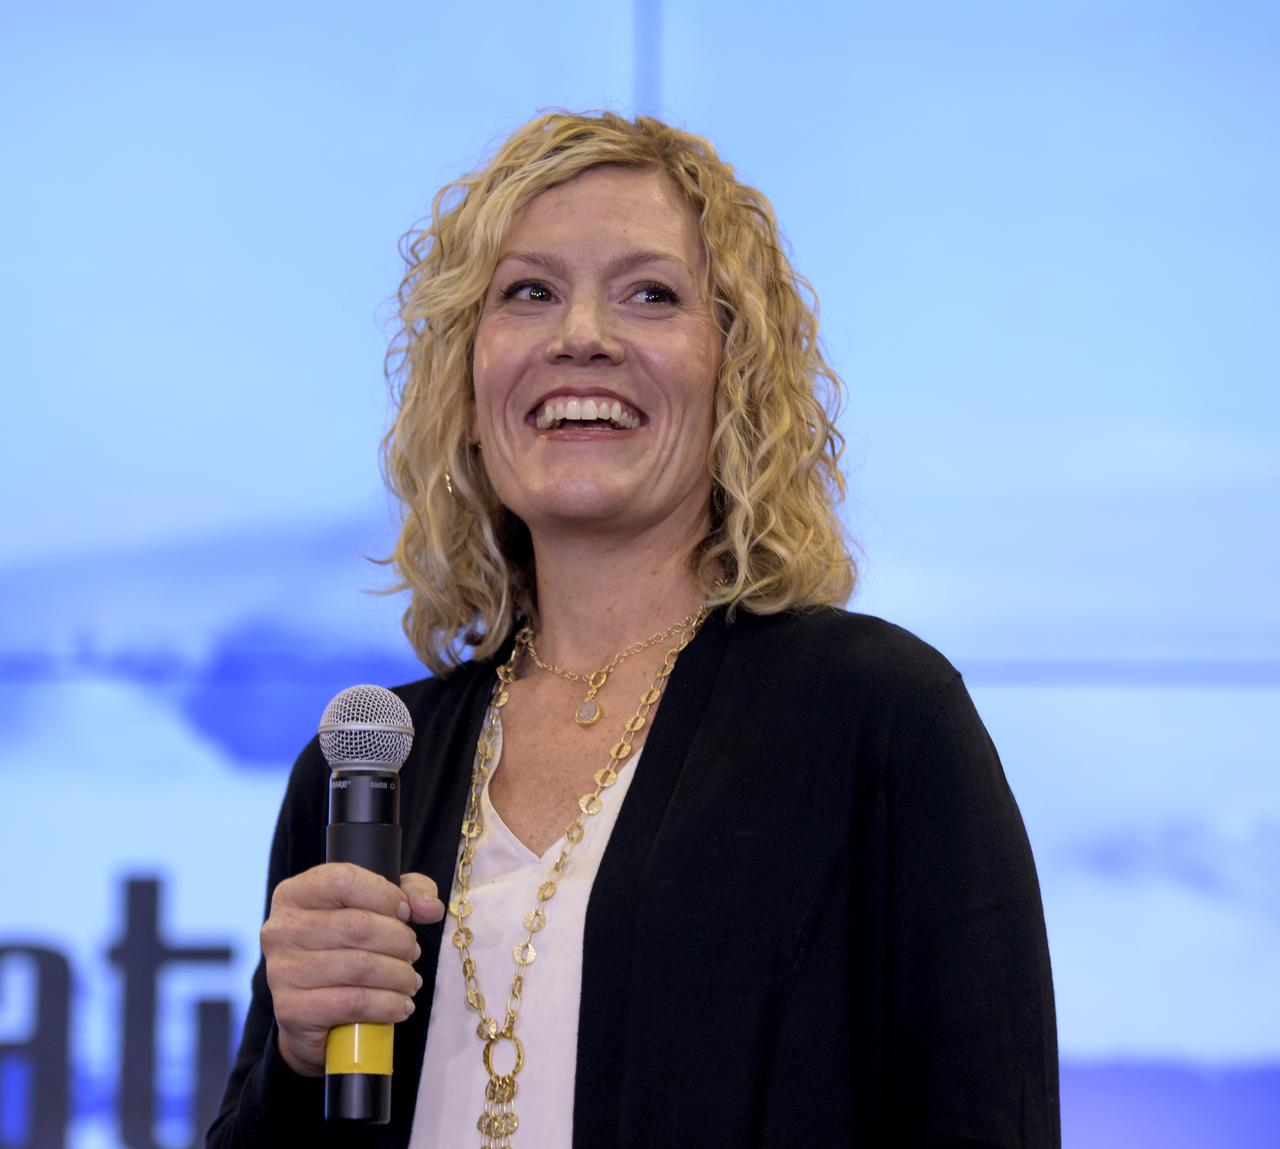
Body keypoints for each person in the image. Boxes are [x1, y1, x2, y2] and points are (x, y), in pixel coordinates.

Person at [207, 111, 1059, 1148]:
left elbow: (987, 1118)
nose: (582, 336)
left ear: (732, 376)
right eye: (528, 293)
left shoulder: (874, 718)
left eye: (649, 295)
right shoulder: (368, 770)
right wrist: (296, 1063)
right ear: (468, 388)